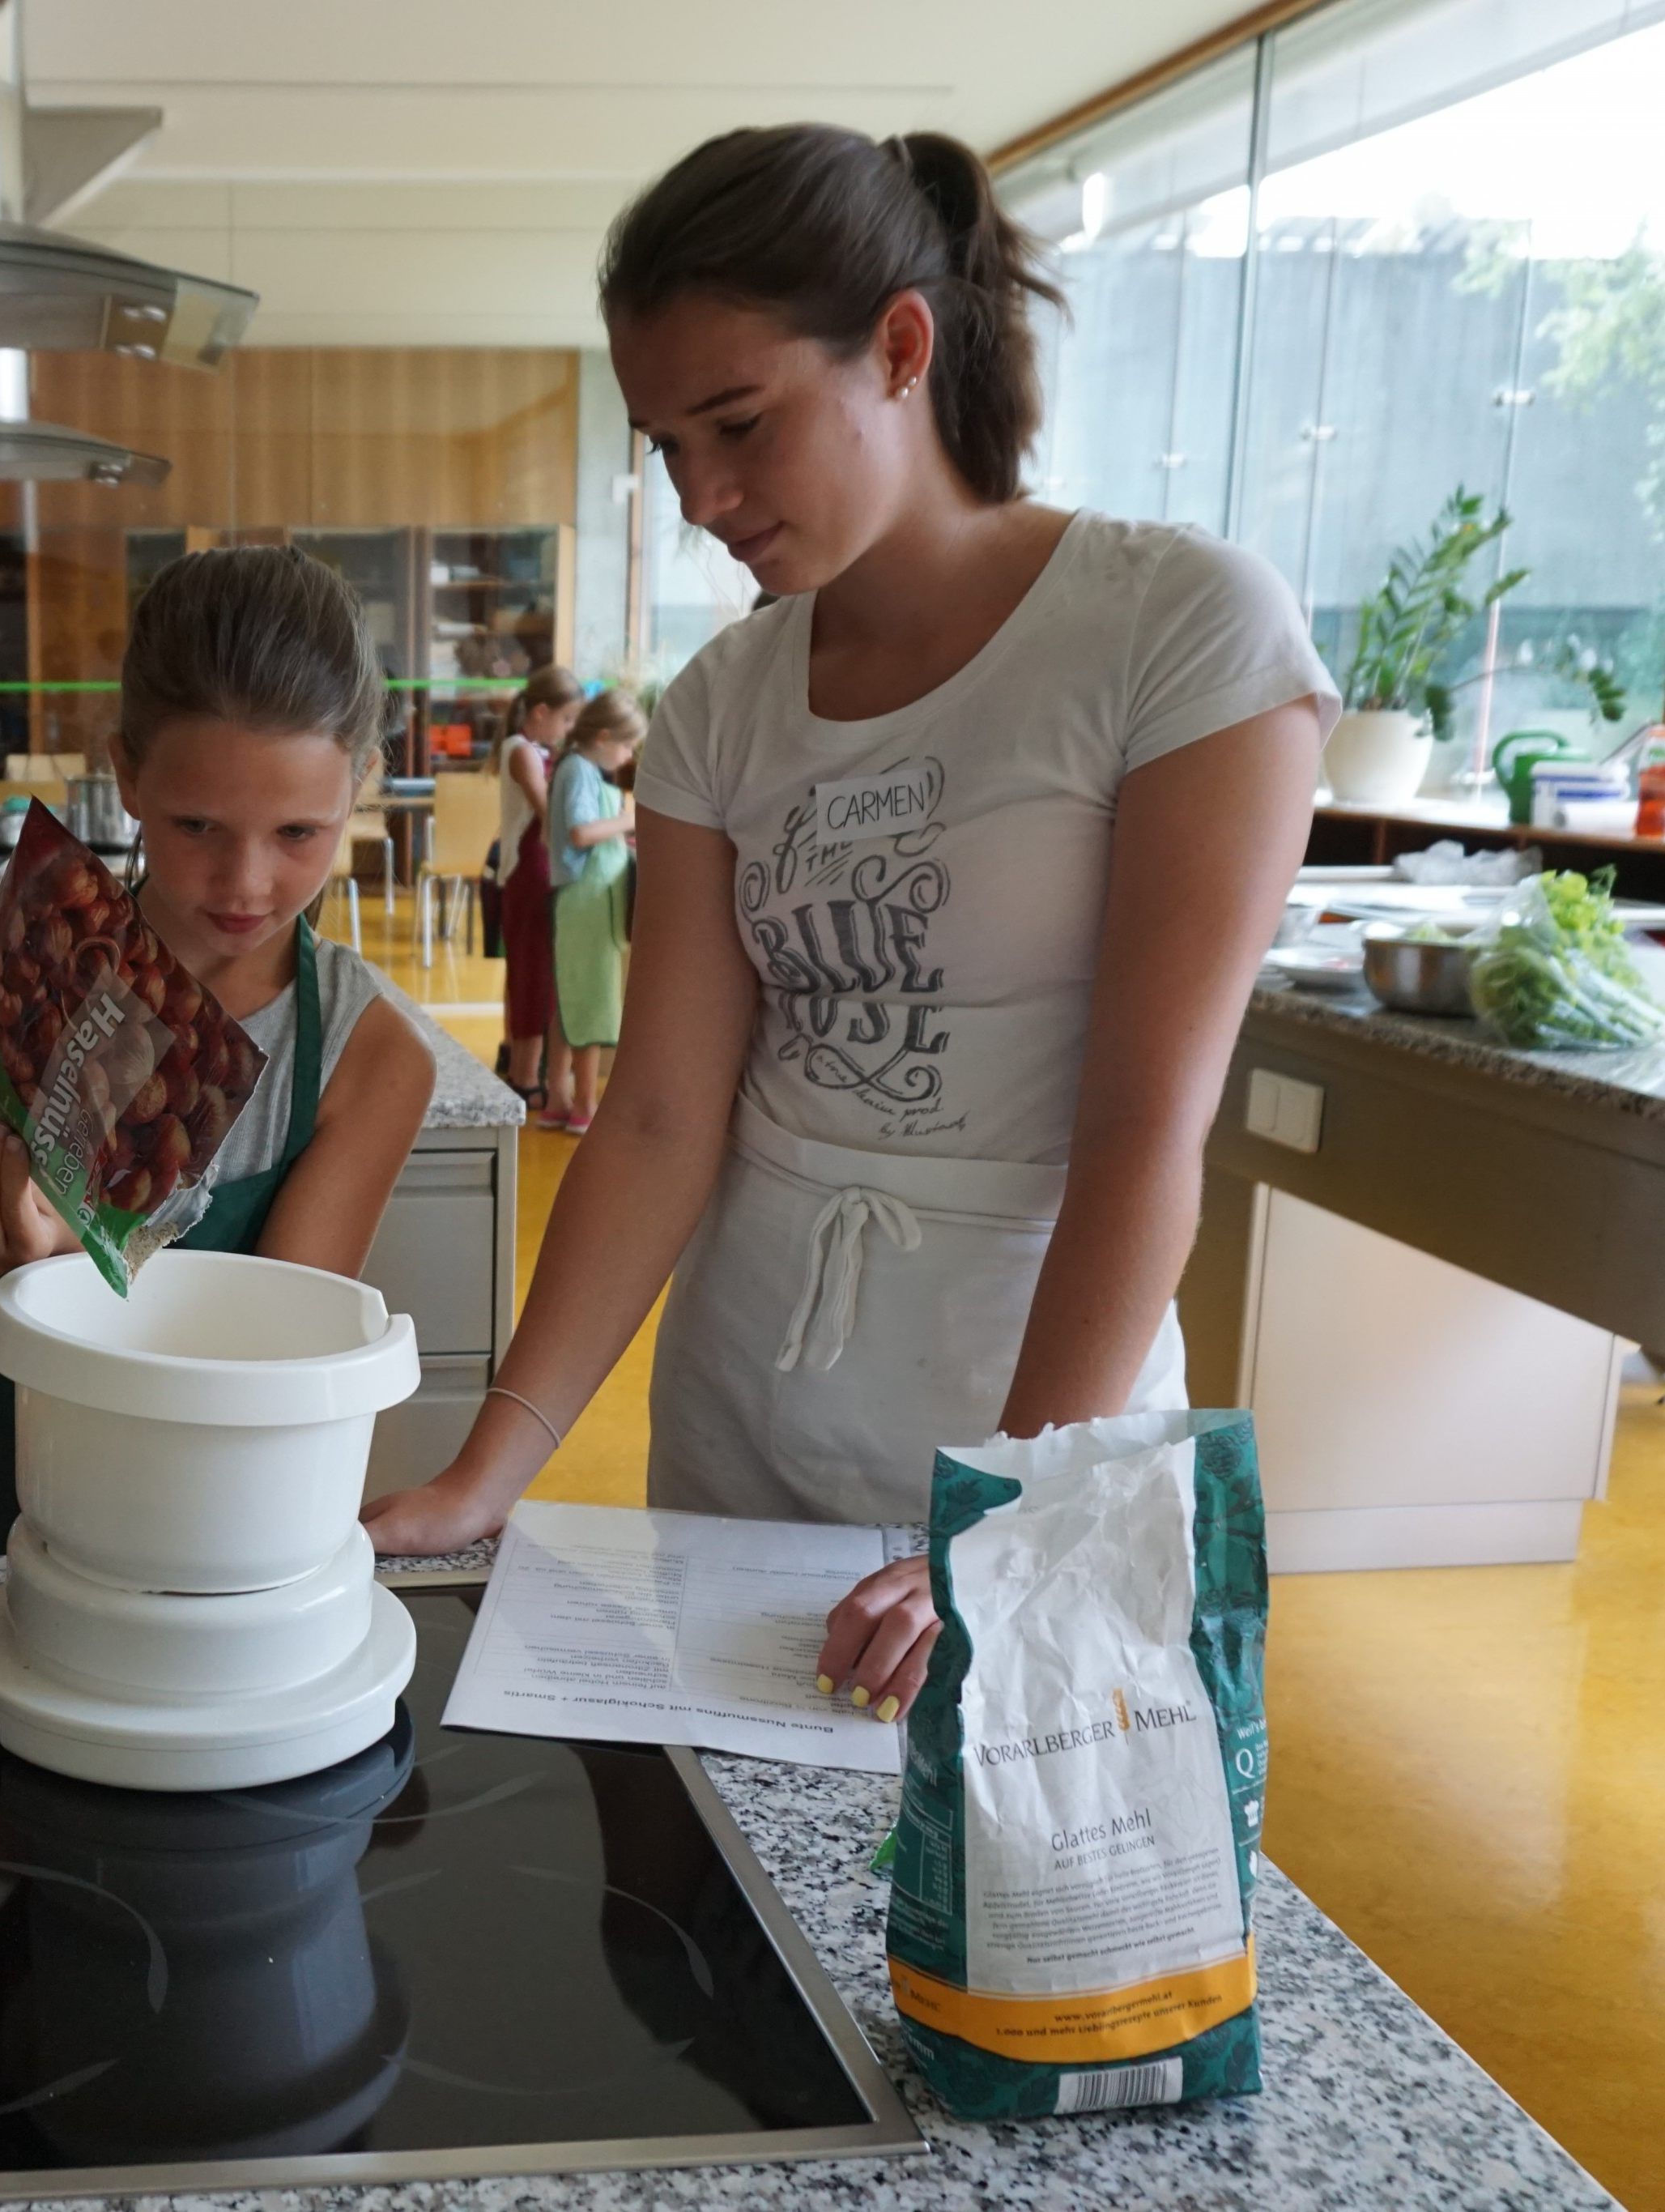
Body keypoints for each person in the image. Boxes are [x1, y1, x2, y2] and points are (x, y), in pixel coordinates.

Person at [364, 125, 1334, 1727]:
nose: (702, 496)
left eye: (736, 423)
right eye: (664, 446)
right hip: (741, 1403)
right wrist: (492, 1463)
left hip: (1027, 1413)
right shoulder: (723, 702)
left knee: (998, 1917)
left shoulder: (1172, 630)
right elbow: (663, 1116)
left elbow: (1142, 1123)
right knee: (706, 1930)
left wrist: (1005, 1524)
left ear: (898, 346)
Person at [0, 546, 440, 1555]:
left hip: (231, 1549)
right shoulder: (40, 967)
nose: (244, 882)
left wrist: (74, 1269)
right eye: (196, 825)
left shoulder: (364, 1055)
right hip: (13, 1536)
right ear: (124, 777)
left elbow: (275, 1368)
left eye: (297, 833)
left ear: (360, 787)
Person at [543, 689, 643, 1135]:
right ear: (603, 737)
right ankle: (585, 1104)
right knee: (593, 1001)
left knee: (572, 998)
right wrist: (632, 820)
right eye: (625, 746)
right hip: (586, 904)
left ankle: (557, 1100)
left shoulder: (577, 768)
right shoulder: (580, 769)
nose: (627, 756)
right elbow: (582, 832)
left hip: (587, 902)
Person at [490, 664, 580, 1115]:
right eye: (565, 720)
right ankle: (526, 1079)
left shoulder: (533, 749)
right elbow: (551, 818)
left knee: (527, 971)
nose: (567, 731)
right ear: (541, 711)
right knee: (533, 975)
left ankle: (515, 1058)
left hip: (535, 867)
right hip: (530, 870)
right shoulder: (522, 752)